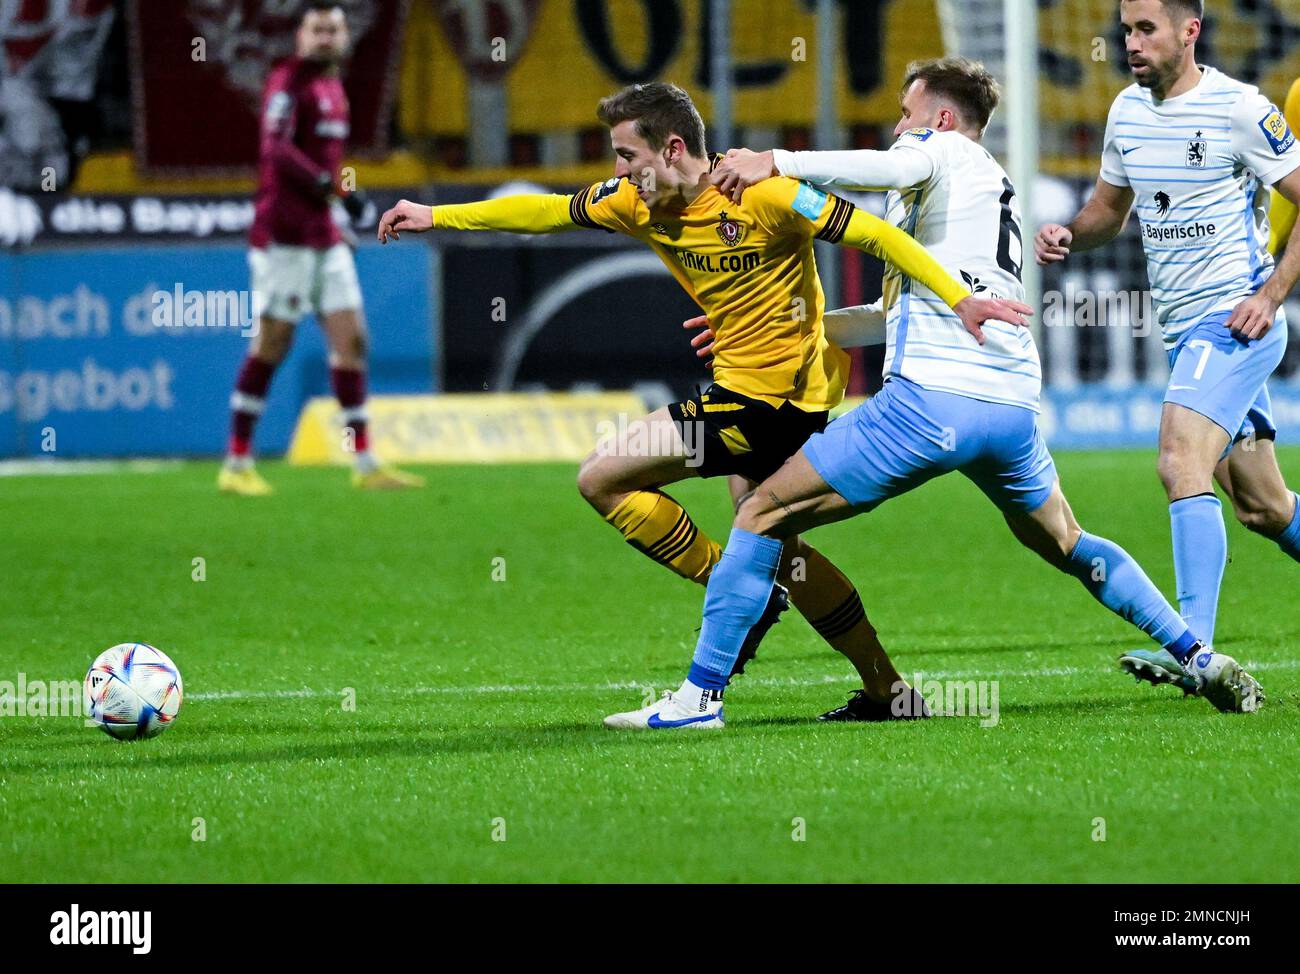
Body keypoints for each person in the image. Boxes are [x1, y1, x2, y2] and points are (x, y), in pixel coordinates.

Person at [602, 56, 1263, 732]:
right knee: (1068, 541)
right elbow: (906, 312)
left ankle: (699, 700)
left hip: (928, 405)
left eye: (906, 113)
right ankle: (1196, 651)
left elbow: (886, 167)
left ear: (942, 120)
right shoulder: (986, 191)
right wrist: (801, 325)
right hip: (1008, 409)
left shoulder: (938, 150)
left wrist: (781, 160)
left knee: (760, 511)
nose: (899, 128)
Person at [377, 82, 1030, 721]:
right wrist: (435, 217)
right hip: (744, 396)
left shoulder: (764, 191)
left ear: (673, 148)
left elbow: (875, 236)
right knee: (783, 544)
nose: (619, 172)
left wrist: (959, 297)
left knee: (603, 476)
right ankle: (886, 688)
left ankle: (740, 591)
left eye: (628, 156)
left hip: (774, 408)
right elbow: (545, 212)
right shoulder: (635, 203)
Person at [1034, 0, 1300, 693]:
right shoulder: (1125, 112)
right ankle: (1201, 647)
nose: (1130, 42)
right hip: (1186, 335)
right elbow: (1108, 212)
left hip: (1233, 325)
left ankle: (1196, 650)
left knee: (1179, 460)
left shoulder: (1239, 109)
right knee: (1263, 507)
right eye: (1125, 29)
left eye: (1145, 28)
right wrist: (1071, 232)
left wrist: (1269, 296)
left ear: (1191, 31)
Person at [220, 1, 424, 495]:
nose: (327, 37)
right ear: (300, 37)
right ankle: (237, 463)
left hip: (323, 235)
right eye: (318, 29)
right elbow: (275, 149)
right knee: (273, 344)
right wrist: (327, 187)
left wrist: (348, 200)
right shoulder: (287, 81)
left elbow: (330, 167)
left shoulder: (334, 88)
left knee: (352, 340)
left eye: (334, 28)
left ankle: (365, 463)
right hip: (284, 236)